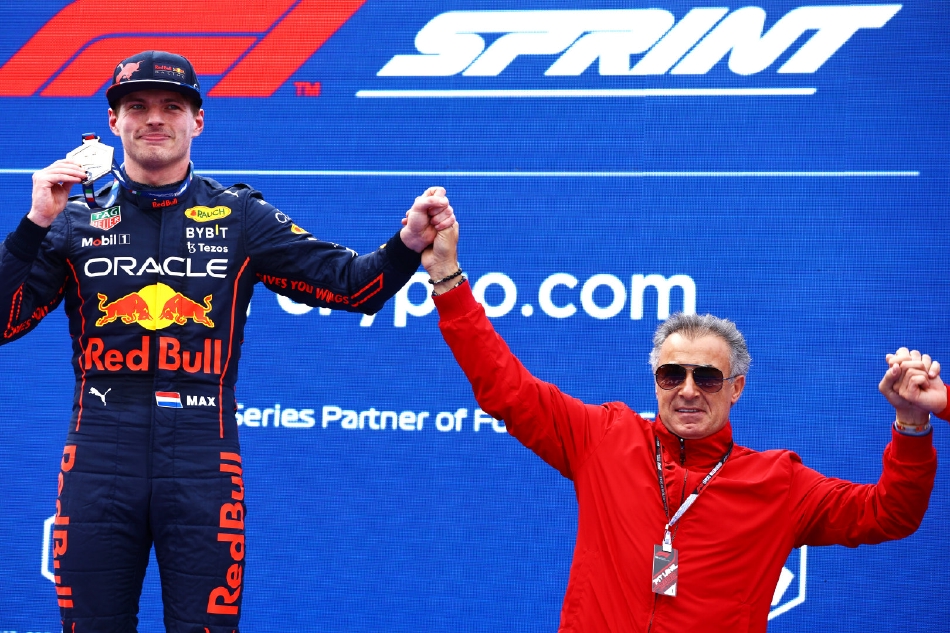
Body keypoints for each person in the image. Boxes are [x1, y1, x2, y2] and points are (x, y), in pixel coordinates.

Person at [0, 51, 453, 632]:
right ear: (114, 122)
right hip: (97, 462)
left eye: (172, 106)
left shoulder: (238, 215)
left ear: (198, 120)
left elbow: (353, 285)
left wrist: (406, 244)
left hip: (202, 465)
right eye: (137, 106)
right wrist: (34, 224)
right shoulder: (70, 217)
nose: (154, 118)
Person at [420, 221, 937, 632]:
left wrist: (912, 425)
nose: (688, 390)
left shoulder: (778, 483)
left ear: (736, 387)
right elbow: (506, 387)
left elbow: (889, 513)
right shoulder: (604, 438)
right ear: (656, 381)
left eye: (706, 377)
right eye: (672, 375)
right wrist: (446, 277)